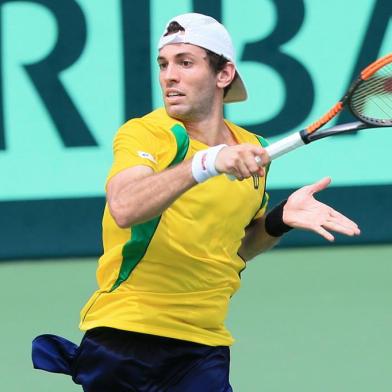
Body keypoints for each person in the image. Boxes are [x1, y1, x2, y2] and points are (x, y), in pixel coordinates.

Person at [32, 13, 360, 391]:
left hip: (204, 347)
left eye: (185, 63)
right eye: (164, 64)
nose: (169, 76)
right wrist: (207, 162)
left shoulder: (251, 150)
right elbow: (124, 207)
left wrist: (278, 220)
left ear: (223, 75)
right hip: (127, 337)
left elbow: (235, 249)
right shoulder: (148, 133)